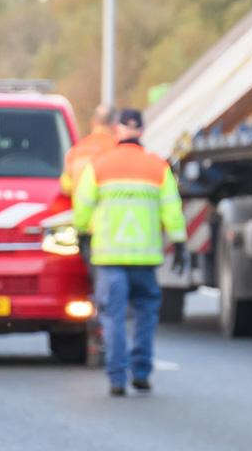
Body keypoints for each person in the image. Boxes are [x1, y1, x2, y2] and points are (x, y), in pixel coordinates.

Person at [71, 108, 187, 397]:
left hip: (110, 258)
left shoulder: (99, 165)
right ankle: (142, 373)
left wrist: (82, 233)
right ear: (142, 131)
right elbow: (172, 209)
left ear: (117, 130)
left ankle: (117, 377)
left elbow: (82, 206)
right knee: (145, 318)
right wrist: (179, 242)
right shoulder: (158, 166)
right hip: (145, 260)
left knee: (113, 318)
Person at [60, 102, 118, 199]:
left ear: (93, 122)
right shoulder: (118, 147)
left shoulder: (76, 150)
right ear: (115, 125)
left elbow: (65, 187)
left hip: (81, 206)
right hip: (107, 206)